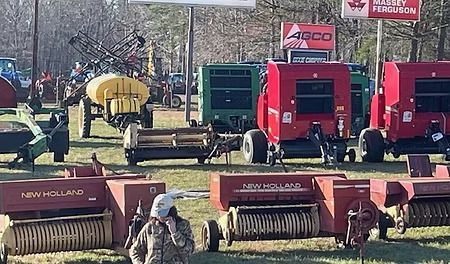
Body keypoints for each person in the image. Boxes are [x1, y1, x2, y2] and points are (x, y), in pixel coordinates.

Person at [130, 193, 195, 264]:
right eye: (157, 214)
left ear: (171, 211)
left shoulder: (183, 225)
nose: (159, 217)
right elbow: (135, 250)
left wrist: (175, 233)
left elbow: (189, 251)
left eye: (162, 213)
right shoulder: (150, 227)